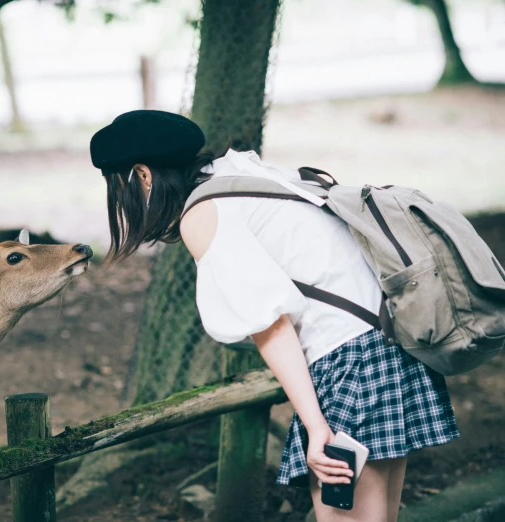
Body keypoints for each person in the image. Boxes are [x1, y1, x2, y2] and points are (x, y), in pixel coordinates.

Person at [89, 110, 459, 522]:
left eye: (117, 188)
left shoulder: (202, 213)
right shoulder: (237, 173)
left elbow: (272, 325)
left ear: (142, 175)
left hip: (349, 362)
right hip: (388, 342)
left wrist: (316, 426)